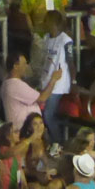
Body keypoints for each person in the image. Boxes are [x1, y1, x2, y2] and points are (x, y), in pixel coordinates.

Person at [1, 52, 60, 136]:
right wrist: (53, 79)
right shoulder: (16, 85)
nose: (26, 66)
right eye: (24, 64)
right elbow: (42, 97)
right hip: (23, 131)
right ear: (15, 66)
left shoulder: (7, 82)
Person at [40, 11, 74, 141]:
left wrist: (73, 81)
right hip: (46, 81)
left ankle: (58, 143)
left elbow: (71, 62)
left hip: (58, 85)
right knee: (44, 115)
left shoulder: (65, 40)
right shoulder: (47, 38)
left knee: (48, 115)